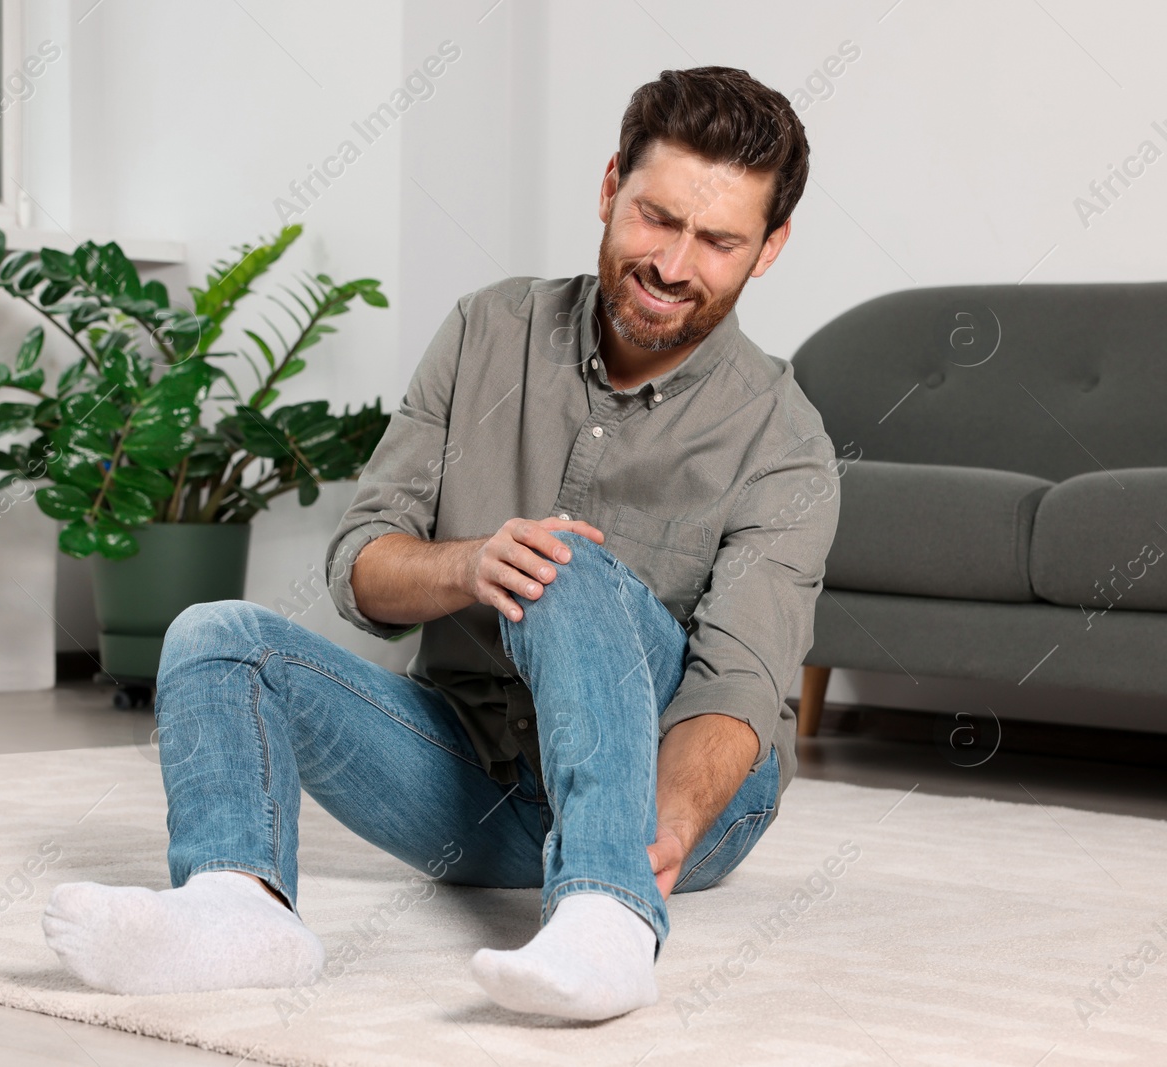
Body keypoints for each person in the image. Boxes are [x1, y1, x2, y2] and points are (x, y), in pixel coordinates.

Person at [43, 65, 841, 1022]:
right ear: (608, 187)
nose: (673, 263)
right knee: (215, 634)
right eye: (656, 218)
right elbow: (359, 563)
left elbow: (738, 687)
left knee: (563, 564)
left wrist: (645, 838)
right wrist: (468, 564)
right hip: (476, 773)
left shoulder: (787, 441)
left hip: (683, 800)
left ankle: (606, 917)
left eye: (718, 241)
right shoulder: (485, 330)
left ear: (770, 247)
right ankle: (238, 907)